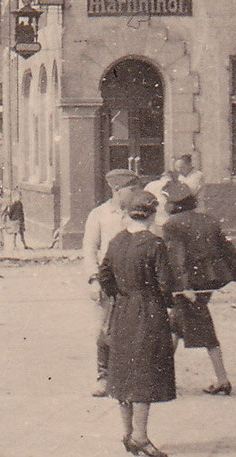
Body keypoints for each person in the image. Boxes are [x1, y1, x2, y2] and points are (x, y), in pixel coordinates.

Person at [99, 189, 175, 457]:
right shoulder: (155, 244)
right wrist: (168, 305)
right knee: (145, 372)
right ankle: (141, 437)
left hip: (122, 311)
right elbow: (165, 286)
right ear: (152, 215)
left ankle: (128, 434)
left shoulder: (116, 241)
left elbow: (104, 276)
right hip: (149, 311)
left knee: (122, 373)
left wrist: (120, 294)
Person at [162, 178, 236, 396]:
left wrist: (184, 285)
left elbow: (176, 257)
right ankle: (218, 378)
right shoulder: (209, 220)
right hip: (207, 283)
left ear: (173, 203)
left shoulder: (171, 225)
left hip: (187, 287)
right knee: (176, 325)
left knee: (195, 328)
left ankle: (221, 379)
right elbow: (228, 249)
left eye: (166, 201)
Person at [82, 168, 141, 397]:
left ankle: (131, 376)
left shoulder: (138, 213)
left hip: (134, 281)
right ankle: (103, 376)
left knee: (136, 327)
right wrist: (93, 279)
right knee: (105, 329)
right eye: (132, 189)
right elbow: (89, 248)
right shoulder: (99, 215)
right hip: (108, 280)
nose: (136, 193)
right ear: (117, 190)